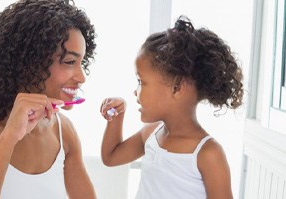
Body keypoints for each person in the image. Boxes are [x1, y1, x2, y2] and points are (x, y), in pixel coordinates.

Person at [0, 0, 97, 198]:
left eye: (81, 62)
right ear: (29, 62)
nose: (82, 77)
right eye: (69, 62)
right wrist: (9, 137)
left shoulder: (64, 131)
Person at [100, 16, 243, 199]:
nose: (135, 92)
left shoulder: (208, 154)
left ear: (177, 88)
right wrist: (116, 117)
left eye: (141, 82)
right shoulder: (151, 133)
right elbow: (111, 157)